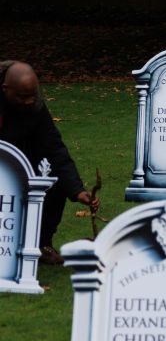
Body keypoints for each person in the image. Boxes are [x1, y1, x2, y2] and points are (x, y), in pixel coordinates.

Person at [0, 61, 98, 264]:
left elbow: (54, 148)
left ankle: (41, 243)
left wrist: (77, 190)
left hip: (22, 163)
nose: (28, 102)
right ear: (5, 89)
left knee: (55, 182)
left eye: (32, 96)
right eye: (22, 96)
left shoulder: (35, 107)